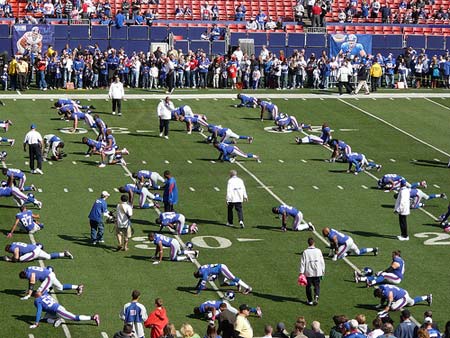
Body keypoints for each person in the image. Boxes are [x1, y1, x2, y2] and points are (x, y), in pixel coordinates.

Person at [30, 290, 99, 329]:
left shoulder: (37, 300)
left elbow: (39, 311)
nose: (39, 291)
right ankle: (56, 320)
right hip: (55, 310)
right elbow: (47, 290)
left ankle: (93, 317)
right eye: (38, 292)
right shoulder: (45, 294)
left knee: (74, 318)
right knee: (44, 319)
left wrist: (36, 323)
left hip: (58, 311)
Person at [19, 266, 83, 300]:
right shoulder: (28, 269)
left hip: (48, 277)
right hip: (49, 274)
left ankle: (48, 293)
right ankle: (77, 287)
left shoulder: (29, 274)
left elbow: (31, 284)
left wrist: (29, 295)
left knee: (38, 293)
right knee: (60, 287)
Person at [299, 237, 325, 306]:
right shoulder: (318, 251)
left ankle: (310, 301)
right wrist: (323, 271)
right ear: (314, 243)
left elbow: (302, 263)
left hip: (308, 272)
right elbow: (322, 262)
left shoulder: (305, 252)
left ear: (308, 243)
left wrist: (301, 273)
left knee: (308, 286)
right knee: (317, 285)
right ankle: (316, 297)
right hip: (317, 271)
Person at [4, 242, 73, 262]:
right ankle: (64, 254)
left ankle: (34, 257)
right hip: (35, 248)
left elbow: (16, 259)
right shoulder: (14, 243)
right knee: (48, 256)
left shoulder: (14, 248)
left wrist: (9, 259)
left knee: (21, 259)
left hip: (34, 252)